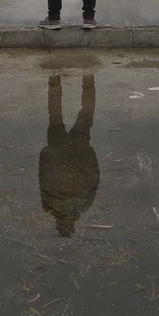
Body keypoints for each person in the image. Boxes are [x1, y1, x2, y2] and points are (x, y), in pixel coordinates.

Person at [39, 73, 99, 236]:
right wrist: (45, 155)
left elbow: (93, 178)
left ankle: (85, 77)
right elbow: (93, 178)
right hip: (68, 151)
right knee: (59, 115)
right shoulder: (51, 206)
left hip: (71, 151)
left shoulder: (54, 206)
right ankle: (58, 76)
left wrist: (90, 155)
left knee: (80, 114)